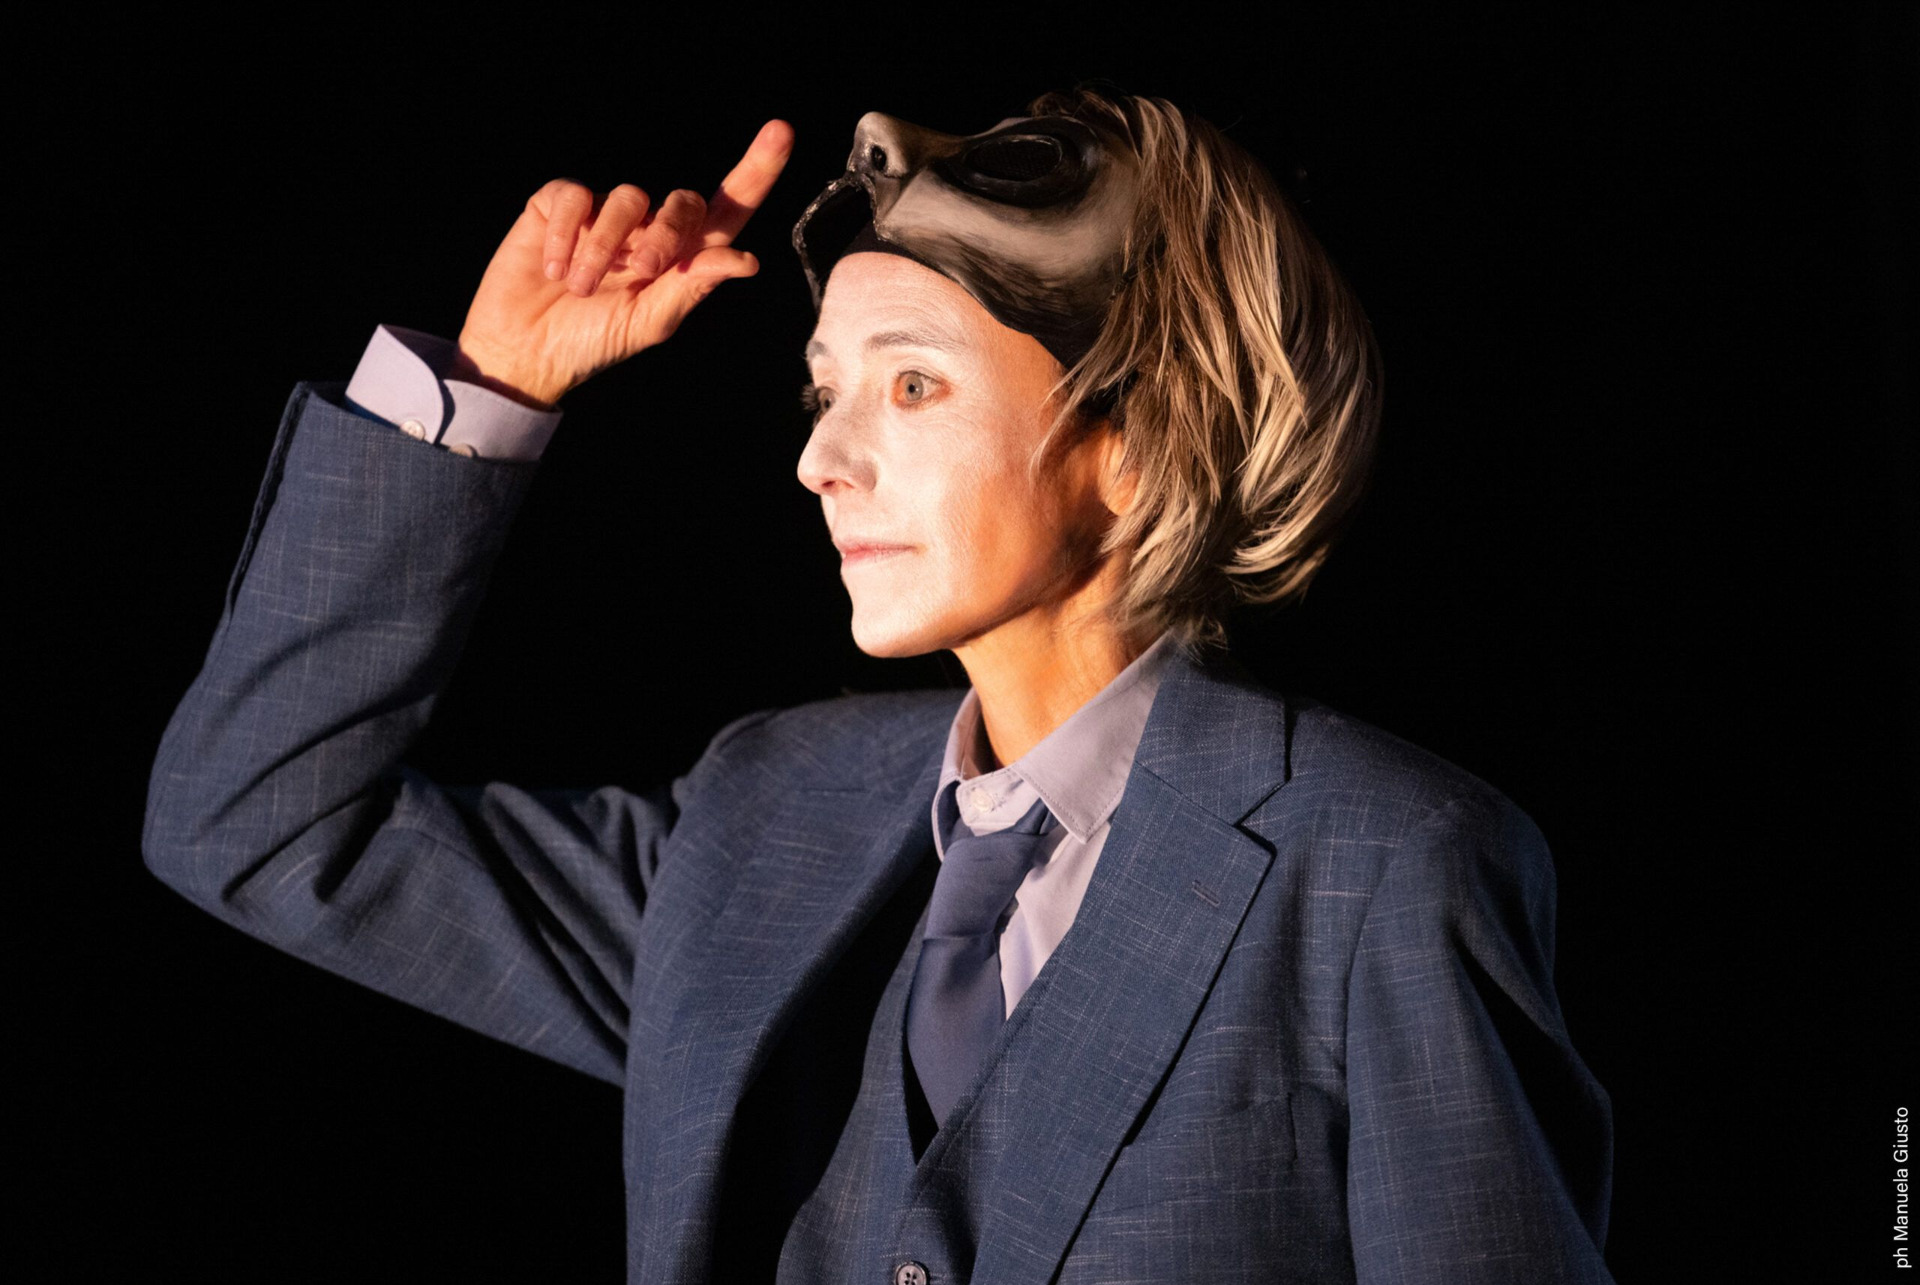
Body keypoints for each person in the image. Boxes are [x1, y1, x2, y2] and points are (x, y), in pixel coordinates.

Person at [144, 85, 1615, 1283]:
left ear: (1141, 438)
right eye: (823, 389)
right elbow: (257, 823)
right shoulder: (761, 821)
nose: (820, 458)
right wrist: (493, 384)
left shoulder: (1384, 865)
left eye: (911, 385)